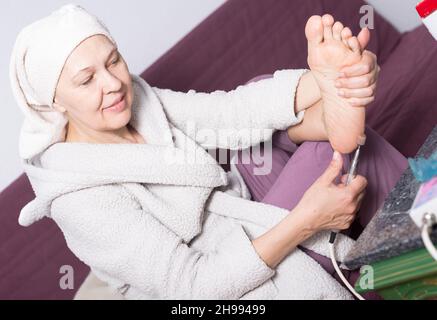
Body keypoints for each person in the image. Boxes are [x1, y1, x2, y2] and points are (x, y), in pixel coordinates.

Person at [10, 4, 405, 300]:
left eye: (113, 60)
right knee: (325, 157)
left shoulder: (136, 97)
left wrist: (319, 80)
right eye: (86, 79)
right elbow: (195, 287)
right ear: (52, 104)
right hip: (224, 276)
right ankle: (420, 252)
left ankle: (336, 98)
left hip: (240, 207)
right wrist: (306, 219)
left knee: (254, 130)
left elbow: (229, 112)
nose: (113, 83)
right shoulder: (79, 200)